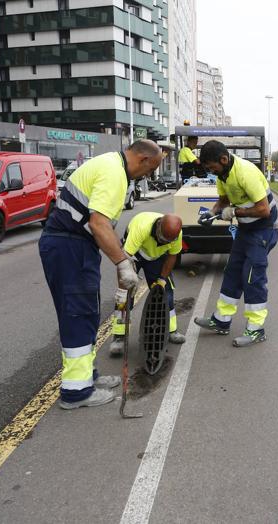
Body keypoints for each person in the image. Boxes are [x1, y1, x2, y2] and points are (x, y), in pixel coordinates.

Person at [39, 140, 163, 410]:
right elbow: (98, 224)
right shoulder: (114, 174)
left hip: (74, 246)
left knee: (87, 312)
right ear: (142, 159)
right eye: (150, 170)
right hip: (70, 246)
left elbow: (100, 223)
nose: (147, 176)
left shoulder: (110, 164)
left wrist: (123, 255)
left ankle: (87, 377)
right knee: (78, 314)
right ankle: (76, 392)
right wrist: (122, 263)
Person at [193, 140, 278, 347]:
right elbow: (223, 200)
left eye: (212, 167)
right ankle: (221, 321)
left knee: (252, 277)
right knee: (232, 271)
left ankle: (256, 329)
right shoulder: (222, 175)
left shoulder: (245, 172)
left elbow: (263, 210)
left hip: (263, 230)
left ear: (224, 159)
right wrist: (211, 213)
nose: (212, 172)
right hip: (245, 230)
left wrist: (235, 212)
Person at [109, 212, 186, 356]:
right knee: (125, 295)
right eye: (162, 239)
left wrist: (162, 280)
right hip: (133, 256)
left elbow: (172, 256)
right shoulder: (141, 228)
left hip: (156, 257)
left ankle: (171, 330)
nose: (164, 242)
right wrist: (122, 288)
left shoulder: (176, 234)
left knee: (167, 292)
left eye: (167, 241)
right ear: (158, 227)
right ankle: (119, 337)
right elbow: (123, 261)